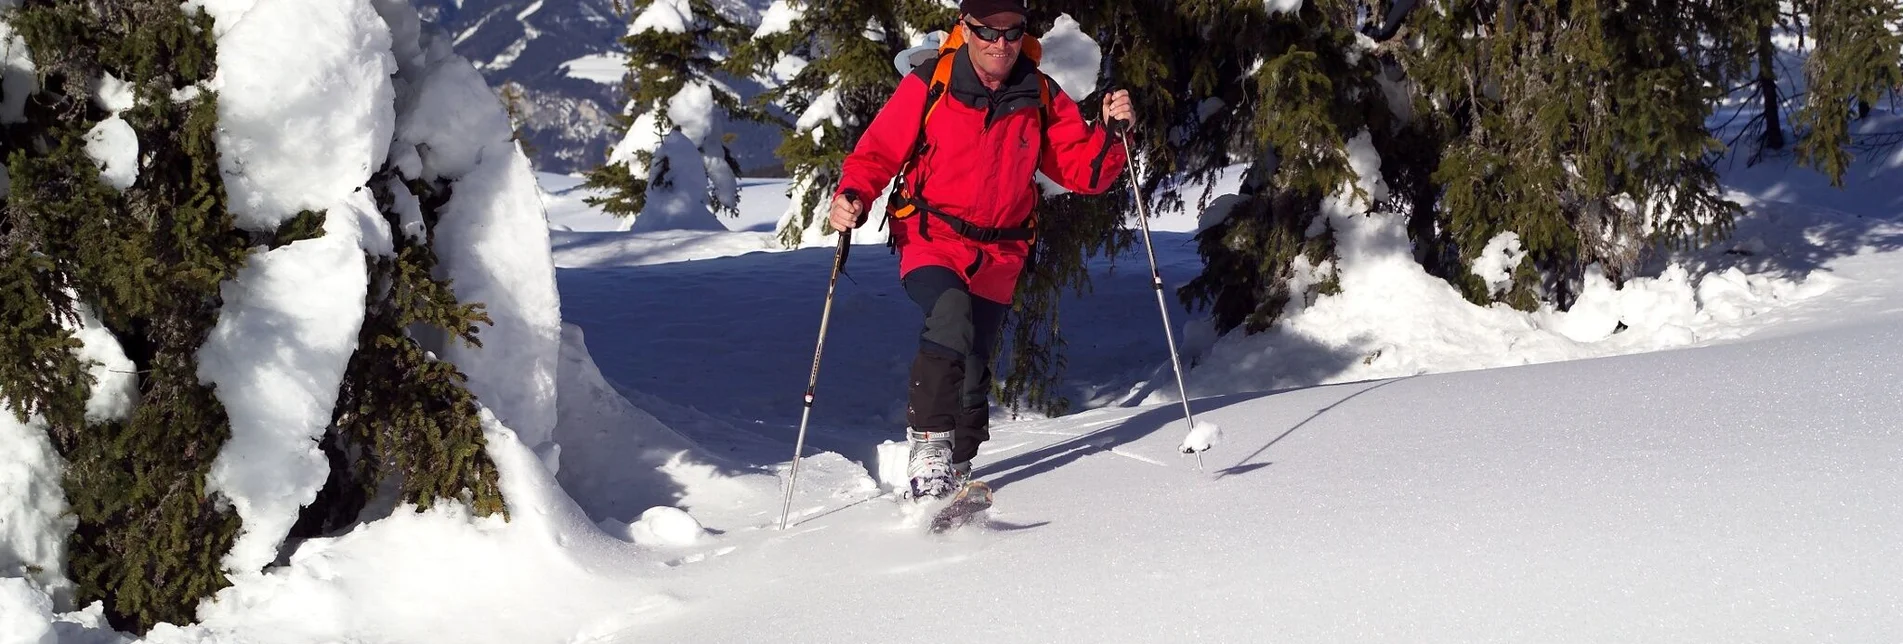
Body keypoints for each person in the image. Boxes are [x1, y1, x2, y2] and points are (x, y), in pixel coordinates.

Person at [827, 0, 1135, 499]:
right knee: (949, 315)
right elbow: (877, 153)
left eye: (1012, 34)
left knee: (973, 362)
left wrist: (1113, 134)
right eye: (988, 32)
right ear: (965, 30)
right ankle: (928, 453)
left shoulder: (1037, 93)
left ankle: (958, 469)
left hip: (1002, 250)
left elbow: (1084, 172)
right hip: (932, 236)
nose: (1000, 44)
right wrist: (852, 197)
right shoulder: (931, 83)